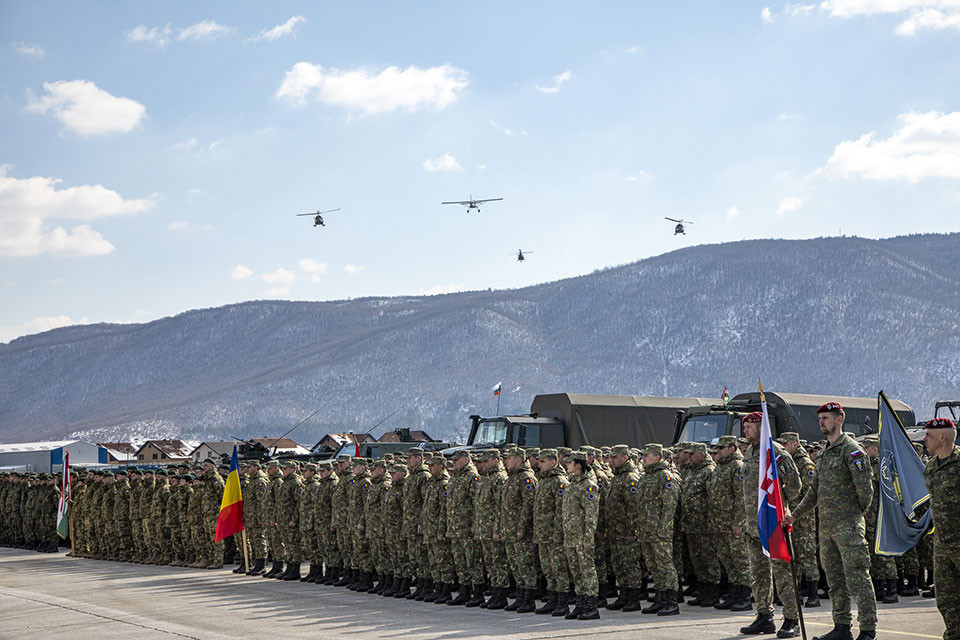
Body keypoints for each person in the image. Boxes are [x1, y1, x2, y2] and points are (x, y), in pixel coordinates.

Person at [787, 402, 876, 640]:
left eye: (825, 418)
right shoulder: (824, 453)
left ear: (839, 419)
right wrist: (794, 515)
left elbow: (865, 492)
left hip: (848, 527)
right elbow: (814, 492)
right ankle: (841, 627)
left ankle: (868, 630)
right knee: (835, 582)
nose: (821, 422)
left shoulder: (852, 450)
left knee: (858, 579)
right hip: (826, 529)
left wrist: (852, 516)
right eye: (820, 419)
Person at [740, 411, 802, 639]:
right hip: (753, 524)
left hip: (773, 522)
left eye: (749, 426)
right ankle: (764, 616)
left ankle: (791, 619)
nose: (745, 430)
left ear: (761, 426)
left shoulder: (775, 452)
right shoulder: (749, 452)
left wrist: (780, 506)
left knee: (782, 573)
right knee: (759, 574)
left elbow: (795, 486)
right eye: (745, 426)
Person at [923, 417, 960, 640]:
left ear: (942, 437)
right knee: (946, 598)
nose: (925, 439)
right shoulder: (930, 467)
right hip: (942, 543)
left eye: (928, 435)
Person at [561, 452, 601, 620]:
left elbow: (591, 515)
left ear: (578, 465)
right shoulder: (571, 485)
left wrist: (588, 539)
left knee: (587, 571)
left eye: (569, 463)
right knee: (576, 572)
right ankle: (580, 603)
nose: (566, 465)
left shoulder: (588, 486)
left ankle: (591, 606)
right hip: (571, 537)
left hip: (582, 537)